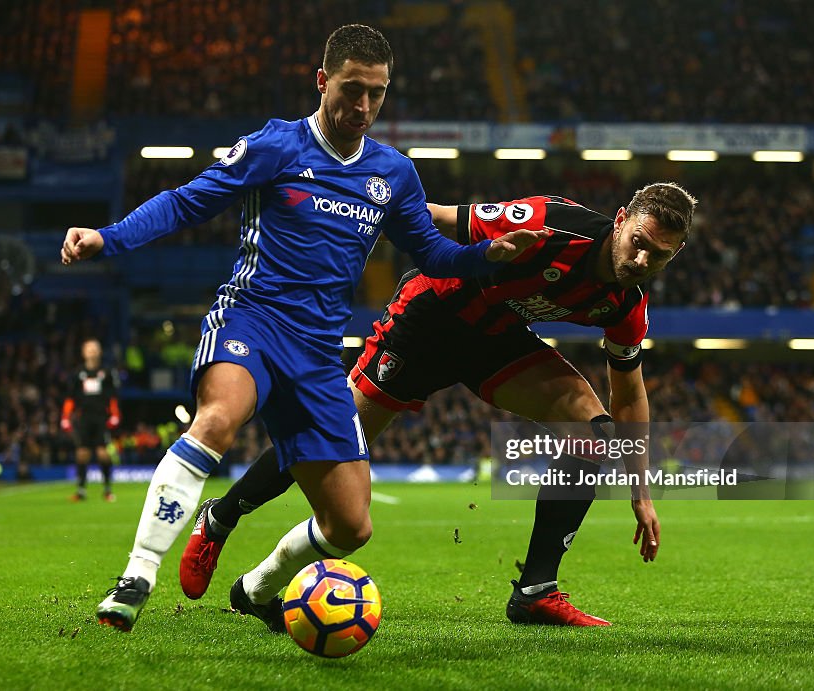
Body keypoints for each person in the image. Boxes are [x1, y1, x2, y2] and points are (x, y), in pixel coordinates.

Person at [60, 24, 544, 632]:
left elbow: (436, 256)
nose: (363, 107)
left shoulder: (393, 173)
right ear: (322, 81)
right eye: (351, 90)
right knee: (219, 419)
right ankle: (137, 574)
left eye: (377, 94)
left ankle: (259, 586)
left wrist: (488, 258)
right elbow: (187, 201)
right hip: (253, 319)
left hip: (318, 353)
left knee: (351, 525)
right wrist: (107, 238)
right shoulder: (277, 146)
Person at [181, 183, 697, 628]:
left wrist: (641, 490)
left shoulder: (627, 306)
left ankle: (536, 592)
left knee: (596, 434)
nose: (644, 261)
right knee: (326, 438)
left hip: (496, 338)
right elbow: (439, 217)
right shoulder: (554, 224)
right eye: (640, 244)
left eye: (662, 255)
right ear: (622, 220)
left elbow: (628, 394)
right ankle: (220, 519)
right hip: (430, 317)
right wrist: (349, 219)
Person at [61, 338, 121, 502]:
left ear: (100, 352)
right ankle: (81, 490)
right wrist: (65, 417)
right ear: (83, 352)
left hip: (102, 418)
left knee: (103, 453)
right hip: (83, 418)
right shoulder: (77, 374)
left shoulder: (107, 373)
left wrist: (115, 415)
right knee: (82, 453)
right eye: (89, 349)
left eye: (95, 348)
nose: (92, 351)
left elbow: (113, 397)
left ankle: (107, 489)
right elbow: (70, 398)